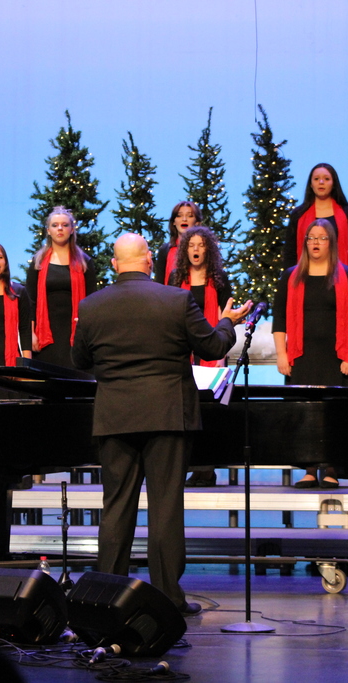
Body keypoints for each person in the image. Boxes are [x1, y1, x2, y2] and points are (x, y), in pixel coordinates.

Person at [71, 233, 251, 615]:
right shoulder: (175, 300)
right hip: (168, 415)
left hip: (115, 417)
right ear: (150, 260)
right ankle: (168, 597)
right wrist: (227, 322)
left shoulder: (91, 306)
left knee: (116, 508)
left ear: (116, 264)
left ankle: (106, 598)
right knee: (165, 508)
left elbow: (80, 360)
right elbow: (213, 347)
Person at [273, 219, 348, 488]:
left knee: (333, 412)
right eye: (311, 238)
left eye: (322, 238)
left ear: (332, 243)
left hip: (336, 358)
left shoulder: (346, 275)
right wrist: (282, 354)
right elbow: (279, 318)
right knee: (305, 412)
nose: (315, 242)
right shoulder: (291, 276)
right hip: (302, 357)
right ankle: (308, 467)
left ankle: (331, 467)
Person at [169, 225, 233, 488]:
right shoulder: (176, 277)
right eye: (191, 245)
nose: (196, 250)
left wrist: (220, 354)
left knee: (209, 415)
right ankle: (188, 465)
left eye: (201, 245)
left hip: (211, 354)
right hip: (183, 355)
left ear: (209, 249)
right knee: (184, 412)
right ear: (185, 249)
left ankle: (206, 469)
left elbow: (227, 318)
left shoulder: (218, 279)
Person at [26, 207, 97, 368]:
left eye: (65, 225)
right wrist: (30, 334)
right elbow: (31, 301)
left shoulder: (85, 263)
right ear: (48, 231)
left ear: (72, 230)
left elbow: (92, 301)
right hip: (45, 336)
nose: (60, 228)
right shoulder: (37, 263)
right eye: (55, 225)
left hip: (75, 336)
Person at [283, 163, 348, 276]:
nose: (321, 182)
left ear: (333, 183)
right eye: (316, 179)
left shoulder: (346, 212)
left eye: (326, 179)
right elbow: (290, 253)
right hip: (306, 277)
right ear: (311, 184)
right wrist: (289, 279)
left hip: (340, 276)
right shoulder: (298, 214)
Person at [154, 201, 202, 285]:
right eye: (179, 216)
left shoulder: (203, 249)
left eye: (189, 216)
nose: (184, 219)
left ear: (197, 223)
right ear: (174, 222)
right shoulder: (165, 250)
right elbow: (159, 283)